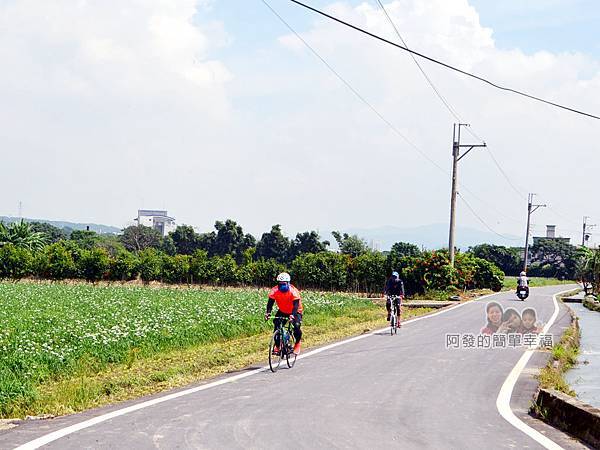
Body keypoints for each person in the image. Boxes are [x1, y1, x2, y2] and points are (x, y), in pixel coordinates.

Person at [264, 272, 303, 355]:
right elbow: (270, 304)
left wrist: (292, 315)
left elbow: (296, 305)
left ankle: (297, 343)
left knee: (296, 326)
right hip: (283, 310)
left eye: (284, 284)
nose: (282, 286)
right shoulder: (274, 290)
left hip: (295, 311)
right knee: (276, 324)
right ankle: (278, 346)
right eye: (280, 284)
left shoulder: (293, 291)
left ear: (288, 283)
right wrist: (268, 313)